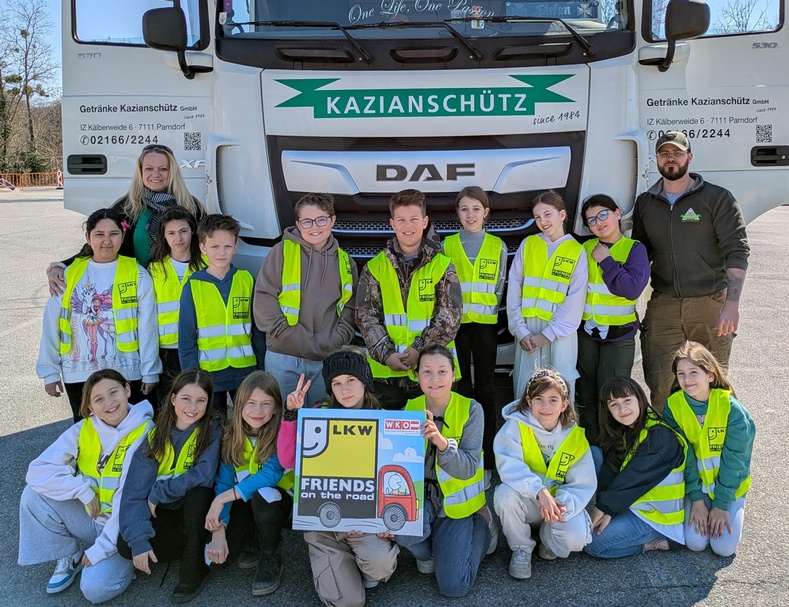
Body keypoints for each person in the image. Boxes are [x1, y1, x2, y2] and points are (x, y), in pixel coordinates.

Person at [633, 131, 749, 411]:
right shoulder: (646, 203)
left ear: (689, 157)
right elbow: (640, 254)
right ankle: (671, 447)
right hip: (664, 304)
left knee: (712, 383)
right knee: (660, 381)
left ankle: (714, 447)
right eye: (664, 153)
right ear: (657, 159)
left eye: (677, 153)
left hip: (709, 302)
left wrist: (731, 304)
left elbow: (737, 250)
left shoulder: (717, 198)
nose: (670, 158)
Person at [18, 369, 154, 603]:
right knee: (33, 495)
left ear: (128, 390)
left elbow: (128, 499)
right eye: (98, 399)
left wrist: (100, 550)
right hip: (92, 517)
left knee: (94, 590)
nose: (109, 403)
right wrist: (81, 489)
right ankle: (69, 554)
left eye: (114, 393)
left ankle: (125, 563)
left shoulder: (145, 431)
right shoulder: (85, 428)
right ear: (90, 406)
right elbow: (38, 470)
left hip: (124, 527)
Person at [279, 348, 399, 607]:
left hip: (364, 523)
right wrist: (292, 414)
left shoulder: (385, 420)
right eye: (336, 383)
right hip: (325, 527)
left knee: (380, 567)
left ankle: (359, 563)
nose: (344, 389)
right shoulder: (317, 414)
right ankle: (336, 562)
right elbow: (287, 460)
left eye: (351, 380)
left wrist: (378, 521)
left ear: (365, 381)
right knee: (348, 603)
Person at [37, 207, 161, 423]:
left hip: (127, 371)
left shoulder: (138, 273)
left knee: (129, 434)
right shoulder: (69, 274)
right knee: (87, 436)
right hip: (78, 372)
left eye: (113, 234)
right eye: (99, 235)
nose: (107, 241)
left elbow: (148, 326)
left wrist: (149, 371)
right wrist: (49, 371)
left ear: (123, 236)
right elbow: (51, 324)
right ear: (88, 237)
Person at [396, 344, 496, 598]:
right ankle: (431, 552)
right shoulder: (409, 409)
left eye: (442, 371)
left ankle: (483, 525)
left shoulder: (471, 409)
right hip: (421, 499)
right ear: (416, 375)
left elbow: (469, 468)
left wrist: (442, 444)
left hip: (457, 505)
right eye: (427, 371)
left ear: (454, 374)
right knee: (399, 526)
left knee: (454, 588)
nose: (435, 379)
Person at [118, 369, 221, 604]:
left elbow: (203, 475)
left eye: (200, 400)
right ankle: (189, 545)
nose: (192, 407)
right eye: (186, 398)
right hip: (164, 511)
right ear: (173, 399)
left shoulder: (212, 429)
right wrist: (139, 541)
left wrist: (159, 491)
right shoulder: (155, 435)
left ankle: (193, 568)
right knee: (126, 545)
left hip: (195, 509)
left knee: (199, 495)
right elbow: (134, 492)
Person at [47, 144, 206, 294]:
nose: (156, 174)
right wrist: (62, 265)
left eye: (163, 169)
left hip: (179, 287)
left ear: (172, 172)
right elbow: (103, 242)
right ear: (140, 171)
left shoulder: (190, 207)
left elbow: (207, 246)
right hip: (136, 287)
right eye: (149, 168)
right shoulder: (127, 208)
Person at [356, 189, 463, 410]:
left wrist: (419, 351)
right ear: (392, 223)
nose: (408, 226)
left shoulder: (442, 265)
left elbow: (450, 316)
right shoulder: (375, 267)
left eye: (414, 219)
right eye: (401, 220)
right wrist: (386, 355)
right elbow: (365, 317)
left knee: (432, 435)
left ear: (424, 222)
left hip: (433, 372)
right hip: (386, 375)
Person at [254, 193, 357, 406]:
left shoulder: (346, 262)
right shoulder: (281, 252)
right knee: (283, 423)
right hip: (284, 357)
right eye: (307, 221)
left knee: (321, 426)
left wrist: (334, 340)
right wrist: (289, 335)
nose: (315, 227)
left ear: (332, 220)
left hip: (327, 359)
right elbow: (264, 298)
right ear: (297, 224)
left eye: (321, 219)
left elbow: (351, 307)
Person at [494, 369, 594, 579]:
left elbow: (582, 484)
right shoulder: (515, 426)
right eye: (539, 399)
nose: (546, 406)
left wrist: (560, 505)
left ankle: (548, 539)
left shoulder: (575, 437)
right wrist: (539, 491)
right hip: (529, 500)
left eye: (553, 400)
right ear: (529, 401)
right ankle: (521, 547)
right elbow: (509, 466)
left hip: (557, 505)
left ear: (564, 404)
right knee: (504, 495)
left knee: (577, 537)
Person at [204, 371, 291, 596]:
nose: (258, 411)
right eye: (251, 403)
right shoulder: (231, 435)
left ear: (276, 408)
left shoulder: (282, 431)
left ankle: (271, 554)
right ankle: (252, 535)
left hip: (279, 503)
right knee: (218, 563)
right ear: (239, 404)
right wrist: (219, 530)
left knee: (263, 495)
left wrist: (222, 499)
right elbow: (223, 484)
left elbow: (271, 474)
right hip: (243, 500)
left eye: (266, 404)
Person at [663, 342, 754, 557]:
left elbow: (737, 461)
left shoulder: (731, 408)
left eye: (694, 372)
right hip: (699, 487)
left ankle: (736, 505)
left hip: (729, 486)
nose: (687, 380)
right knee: (695, 543)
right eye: (681, 373)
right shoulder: (673, 407)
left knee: (723, 548)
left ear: (710, 375)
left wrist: (721, 505)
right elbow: (684, 456)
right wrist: (696, 499)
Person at [443, 186, 507, 485]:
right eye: (464, 209)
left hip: (485, 327)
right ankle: (461, 454)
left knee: (485, 390)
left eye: (476, 209)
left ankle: (488, 458)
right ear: (458, 213)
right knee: (460, 388)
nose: (470, 215)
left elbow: (499, 286)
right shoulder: (447, 245)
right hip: (456, 327)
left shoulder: (497, 246)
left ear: (486, 212)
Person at [585, 377, 687, 559]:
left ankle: (658, 542)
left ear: (640, 399)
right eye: (614, 404)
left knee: (593, 544)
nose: (622, 410)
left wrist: (603, 509)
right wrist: (608, 509)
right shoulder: (625, 430)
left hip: (655, 516)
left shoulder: (660, 436)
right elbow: (612, 470)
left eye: (627, 401)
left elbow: (633, 478)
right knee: (594, 453)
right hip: (634, 501)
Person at [576, 195, 649, 444]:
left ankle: (617, 450)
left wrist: (606, 261)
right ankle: (591, 450)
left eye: (603, 215)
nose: (598, 223)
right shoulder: (584, 249)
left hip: (619, 337)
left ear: (617, 213)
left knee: (615, 395)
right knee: (586, 394)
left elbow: (631, 289)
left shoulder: (634, 249)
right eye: (591, 220)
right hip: (587, 334)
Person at [507, 191, 587, 402]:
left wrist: (548, 335)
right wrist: (520, 330)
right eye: (537, 216)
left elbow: (575, 300)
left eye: (547, 214)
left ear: (562, 215)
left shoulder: (576, 251)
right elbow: (514, 290)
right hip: (528, 333)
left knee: (559, 392)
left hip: (560, 335)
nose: (543, 221)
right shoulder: (528, 244)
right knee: (526, 390)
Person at [178, 214, 258, 415]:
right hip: (209, 375)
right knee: (214, 428)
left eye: (227, 246)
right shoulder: (193, 286)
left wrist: (261, 370)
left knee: (247, 426)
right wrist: (192, 377)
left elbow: (258, 331)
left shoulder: (247, 280)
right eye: (214, 247)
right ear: (203, 248)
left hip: (245, 373)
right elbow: (186, 338)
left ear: (236, 246)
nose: (221, 253)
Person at [148, 208, 206, 404]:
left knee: (199, 401)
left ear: (193, 232)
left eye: (183, 231)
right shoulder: (155, 269)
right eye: (171, 233)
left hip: (201, 345)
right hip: (168, 349)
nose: (178, 238)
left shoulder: (208, 264)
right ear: (163, 236)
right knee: (169, 404)